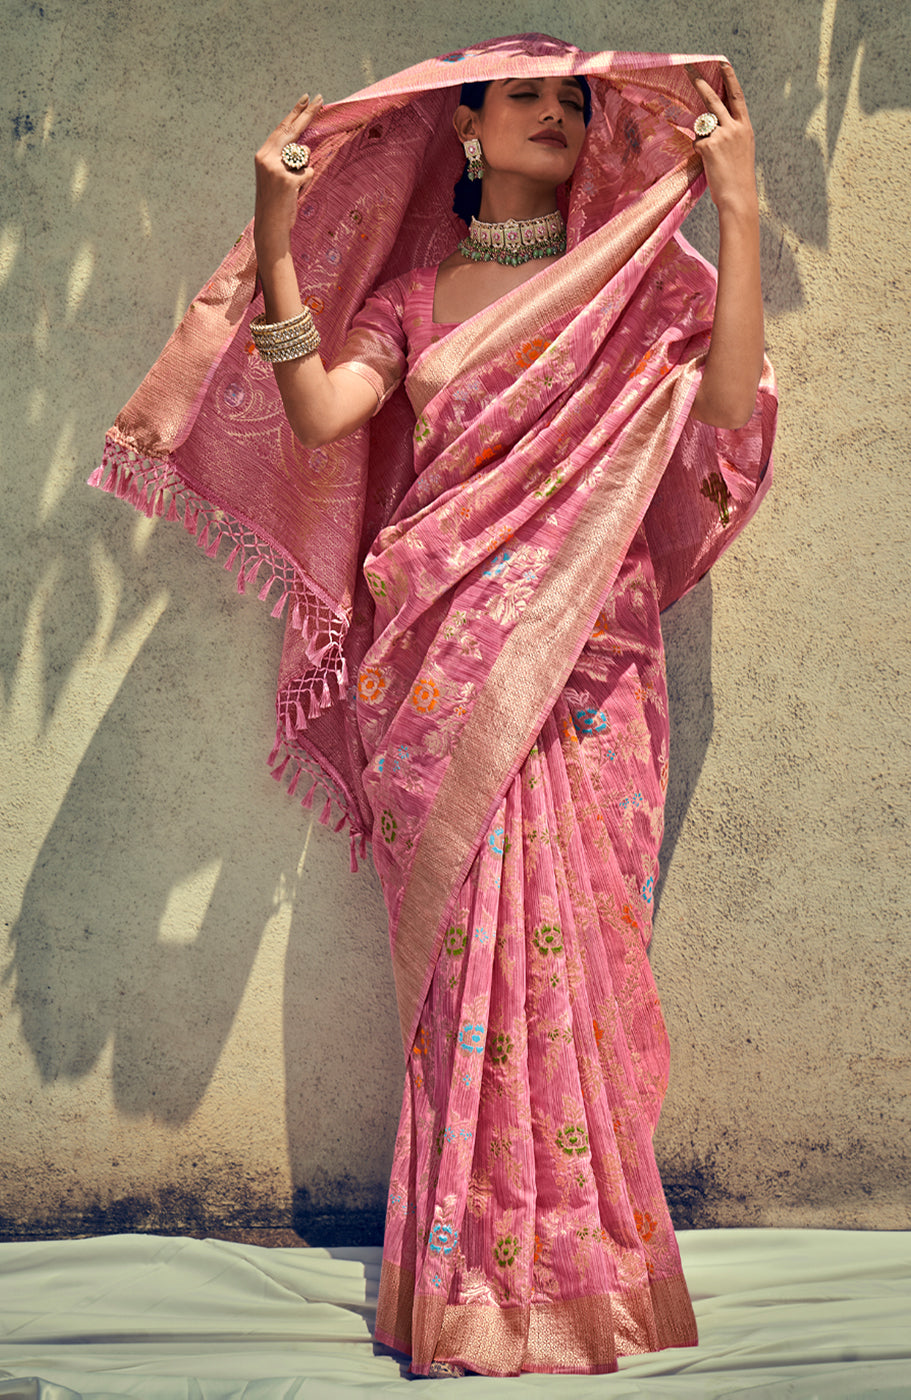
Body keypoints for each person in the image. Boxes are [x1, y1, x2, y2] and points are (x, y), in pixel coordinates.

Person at [93, 34, 776, 1378]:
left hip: (587, 670)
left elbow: (734, 409)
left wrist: (740, 209)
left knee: (587, 960)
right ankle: (466, 1282)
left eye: (571, 99)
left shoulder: (632, 290)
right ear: (465, 127)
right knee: (473, 979)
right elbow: (321, 413)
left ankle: (596, 1280)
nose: (557, 115)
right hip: (444, 670)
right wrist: (277, 237)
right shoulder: (412, 300)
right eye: (524, 95)